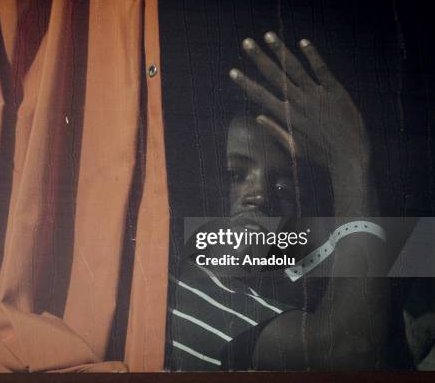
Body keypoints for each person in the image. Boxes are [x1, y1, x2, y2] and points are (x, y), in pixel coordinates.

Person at [166, 32, 413, 370]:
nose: (261, 196)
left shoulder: (276, 283)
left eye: (284, 189)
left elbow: (414, 247)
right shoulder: (189, 289)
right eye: (236, 175)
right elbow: (347, 351)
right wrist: (349, 162)